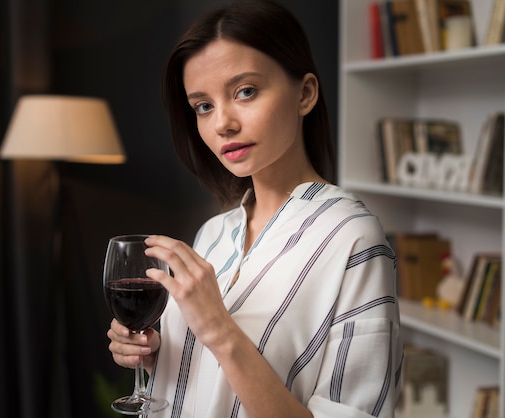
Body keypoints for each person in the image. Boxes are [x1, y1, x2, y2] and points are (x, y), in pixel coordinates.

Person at [107, 1, 402, 416]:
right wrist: (160, 356)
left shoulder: (353, 239)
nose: (222, 123)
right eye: (203, 106)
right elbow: (208, 389)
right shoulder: (213, 233)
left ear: (305, 93)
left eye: (245, 91)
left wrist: (218, 330)